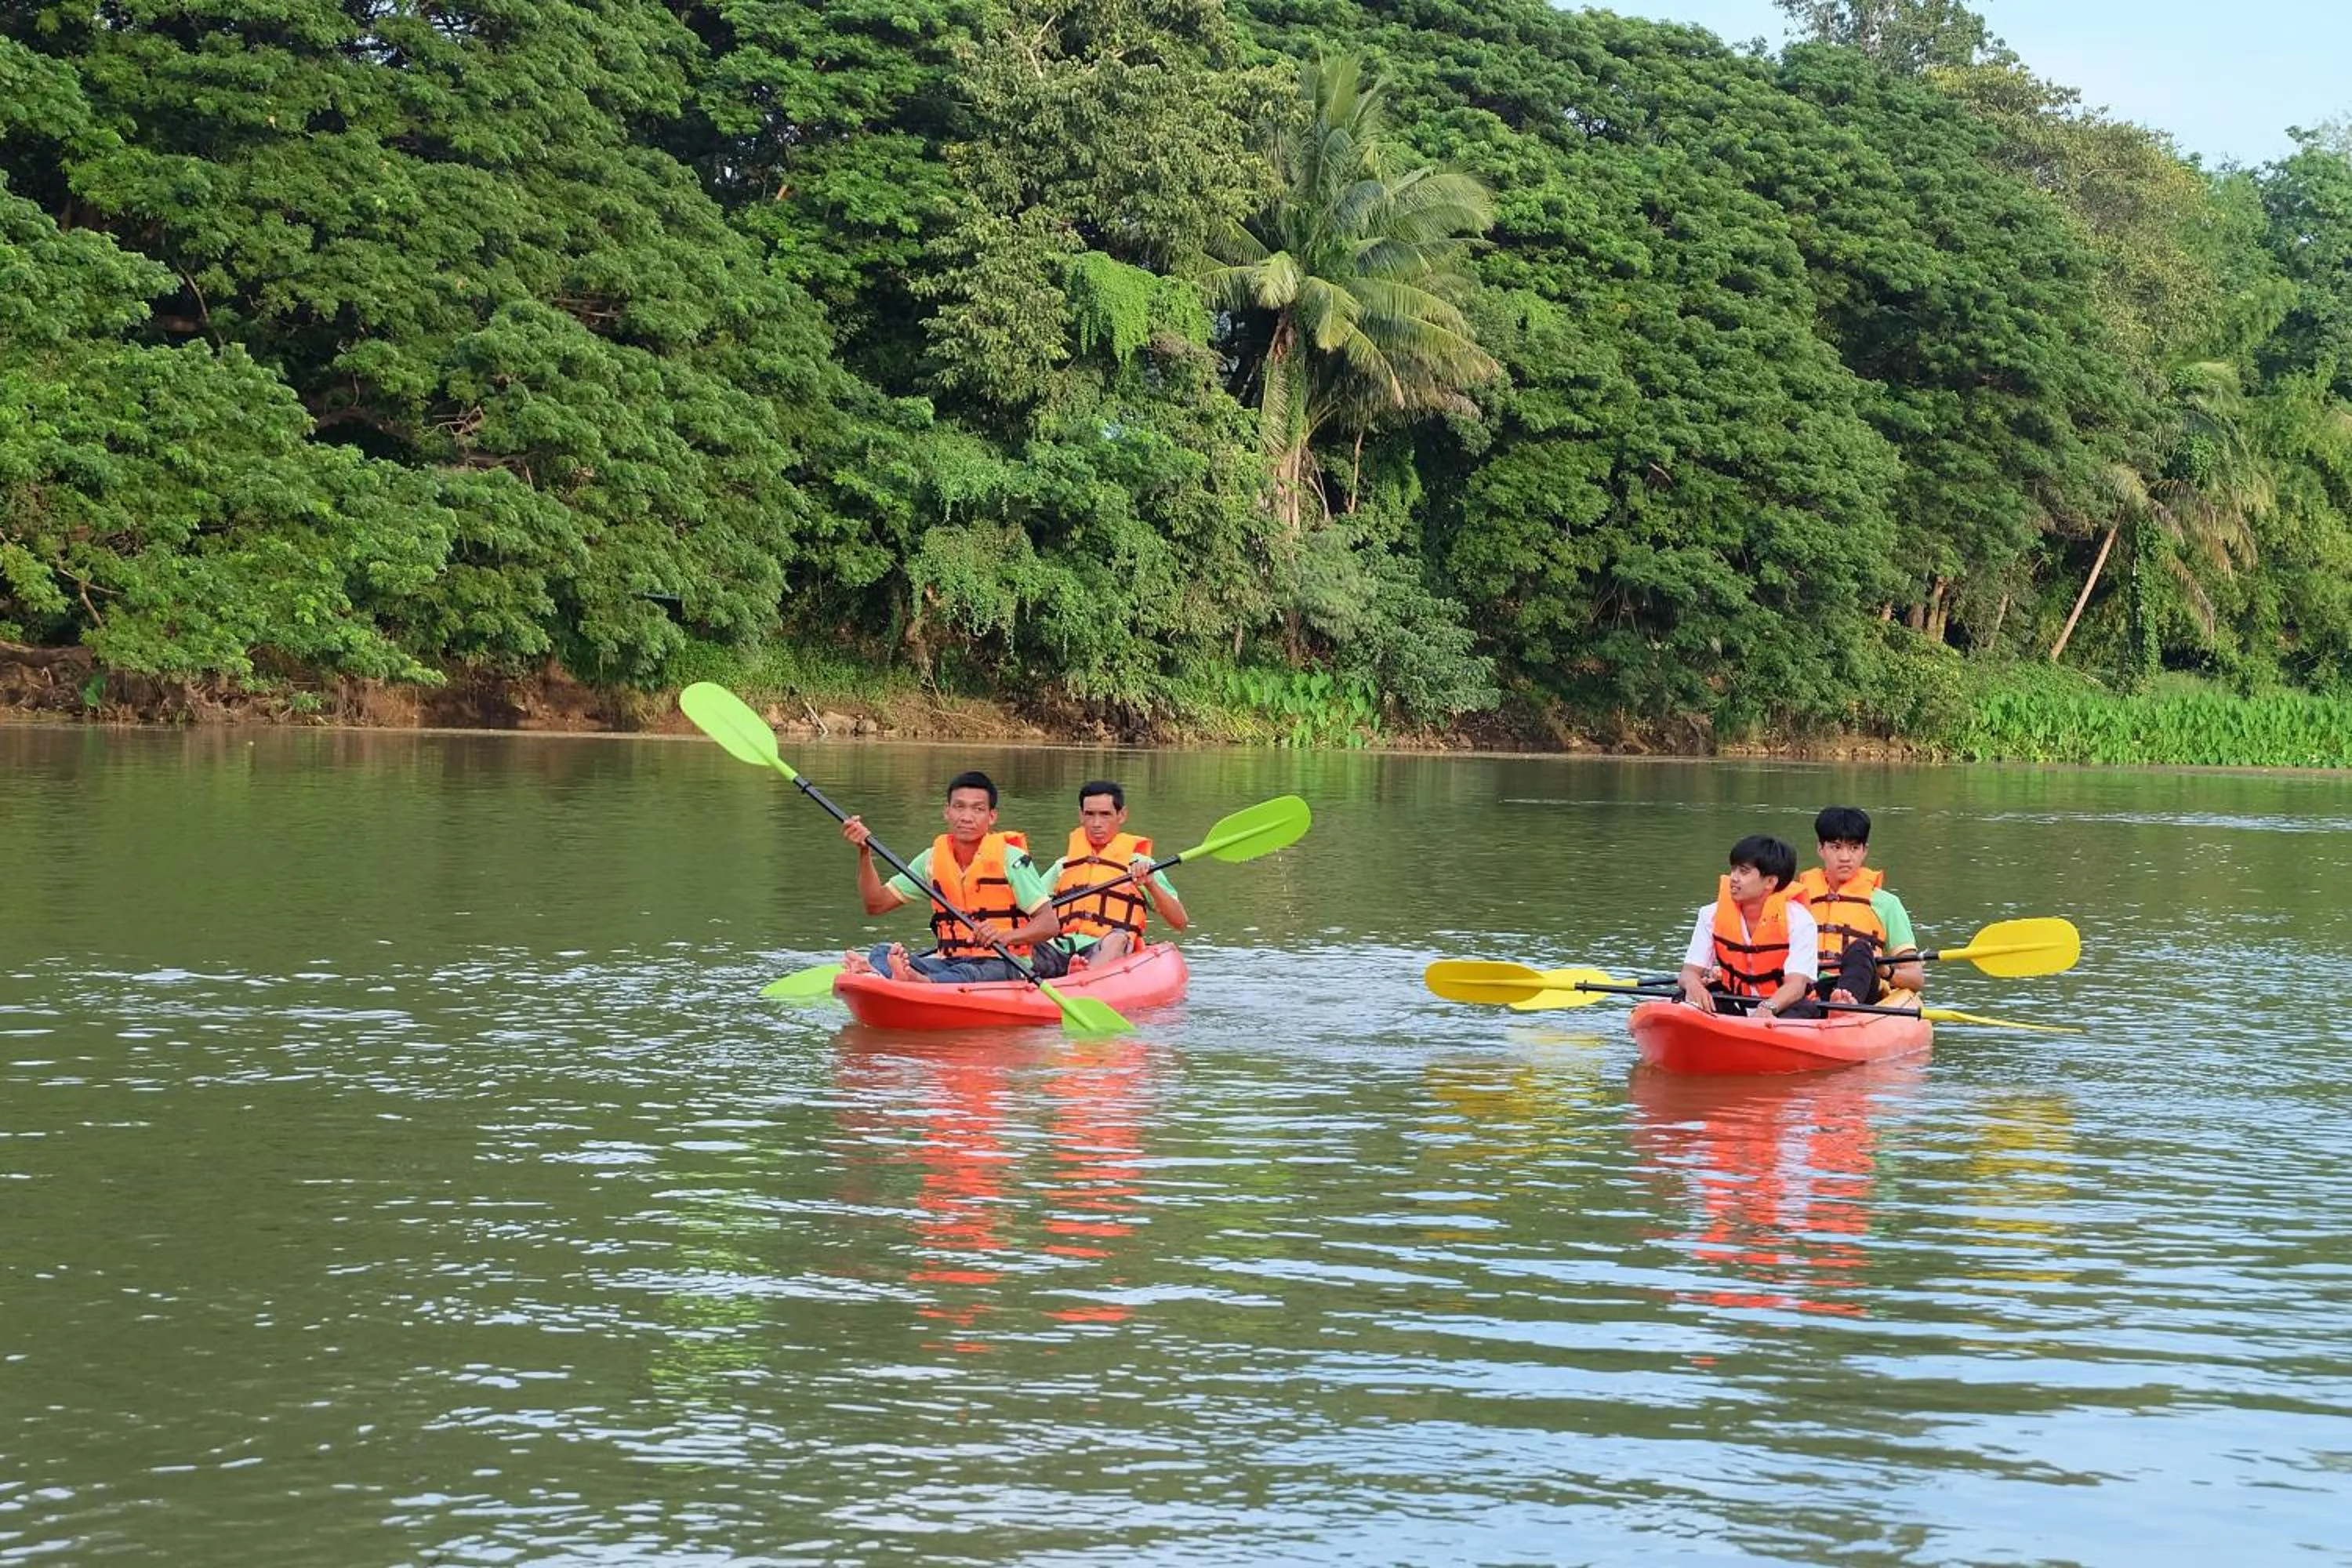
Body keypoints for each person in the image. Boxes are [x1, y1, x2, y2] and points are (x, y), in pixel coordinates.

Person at [838, 771, 1064, 983]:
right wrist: (864, 852)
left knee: (967, 972)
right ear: (947, 811)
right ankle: (894, 974)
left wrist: (1006, 936)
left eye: (977, 809)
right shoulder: (931, 860)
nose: (966, 817)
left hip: (1006, 963)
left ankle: (917, 981)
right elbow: (876, 904)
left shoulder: (1012, 861)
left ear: (992, 816)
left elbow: (1049, 924)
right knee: (882, 952)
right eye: (959, 807)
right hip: (949, 962)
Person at [1677, 835, 1820, 1024]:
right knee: (1682, 998)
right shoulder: (1710, 914)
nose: (1733, 878)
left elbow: (1796, 985)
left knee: (1801, 1011)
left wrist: (1768, 1007)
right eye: (1733, 869)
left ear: (1770, 882)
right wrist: (1693, 985)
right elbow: (1689, 972)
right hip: (1734, 1001)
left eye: (1744, 872)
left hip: (1783, 1007)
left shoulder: (1800, 921)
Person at [1791, 806, 1926, 1006]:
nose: (1845, 857)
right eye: (1836, 847)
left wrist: (1885, 971)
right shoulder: (1795, 900)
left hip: (1861, 993)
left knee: (1860, 950)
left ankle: (1844, 1003)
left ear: (1865, 851)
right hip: (1805, 988)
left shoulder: (1887, 904)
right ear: (1821, 849)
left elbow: (1916, 978)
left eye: (1854, 848)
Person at [1044, 781, 1189, 966]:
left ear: (1121, 815)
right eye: (1090, 814)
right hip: (1060, 948)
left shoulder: (1141, 865)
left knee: (1118, 938)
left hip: (1111, 947)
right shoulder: (1063, 866)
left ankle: (1087, 977)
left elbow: (1181, 922)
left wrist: (1150, 884)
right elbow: (1031, 909)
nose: (1097, 824)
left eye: (1105, 815)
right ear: (1081, 816)